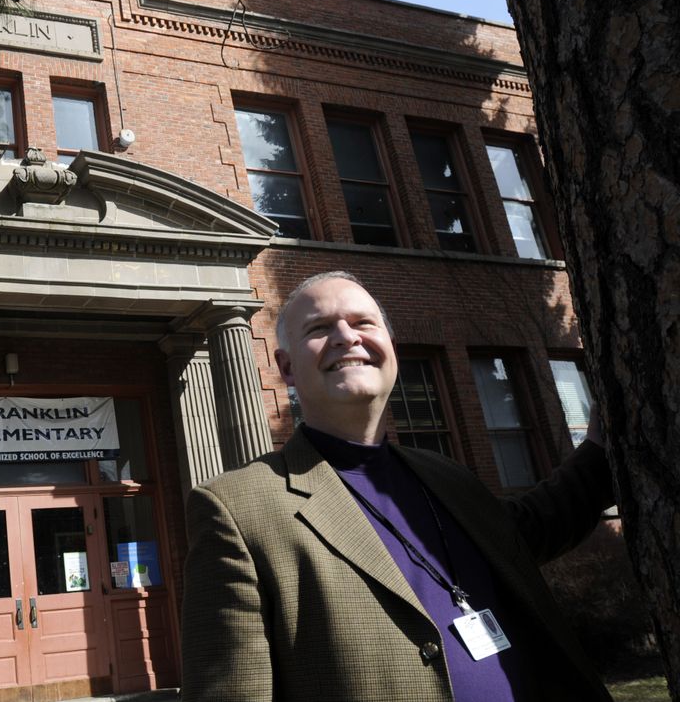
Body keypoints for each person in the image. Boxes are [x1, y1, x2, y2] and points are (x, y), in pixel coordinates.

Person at [181, 271, 613, 702]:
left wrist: (599, 450)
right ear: (287, 367)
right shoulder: (236, 509)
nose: (346, 337)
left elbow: (526, 533)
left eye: (363, 323)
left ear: (392, 349)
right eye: (319, 328)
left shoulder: (448, 477)